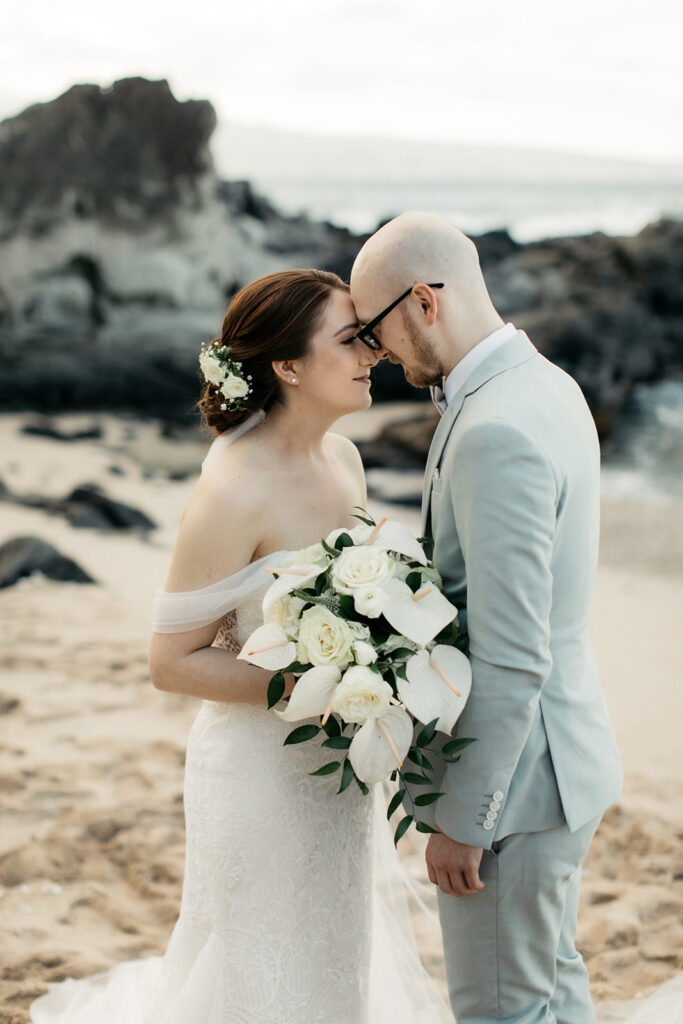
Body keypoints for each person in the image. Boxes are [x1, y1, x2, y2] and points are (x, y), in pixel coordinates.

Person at [29, 268, 452, 1024]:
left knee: (333, 957)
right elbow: (170, 661)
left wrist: (379, 666)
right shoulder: (234, 490)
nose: (376, 353)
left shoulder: (345, 460)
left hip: (336, 773)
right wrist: (316, 685)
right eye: (351, 340)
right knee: (255, 975)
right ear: (287, 366)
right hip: (258, 776)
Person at [350, 214, 624, 1024]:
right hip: (563, 757)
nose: (375, 352)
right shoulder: (546, 383)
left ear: (423, 302)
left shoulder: (492, 428)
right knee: (551, 990)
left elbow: (511, 652)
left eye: (373, 329)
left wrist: (466, 819)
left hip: (519, 790)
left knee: (502, 1011)